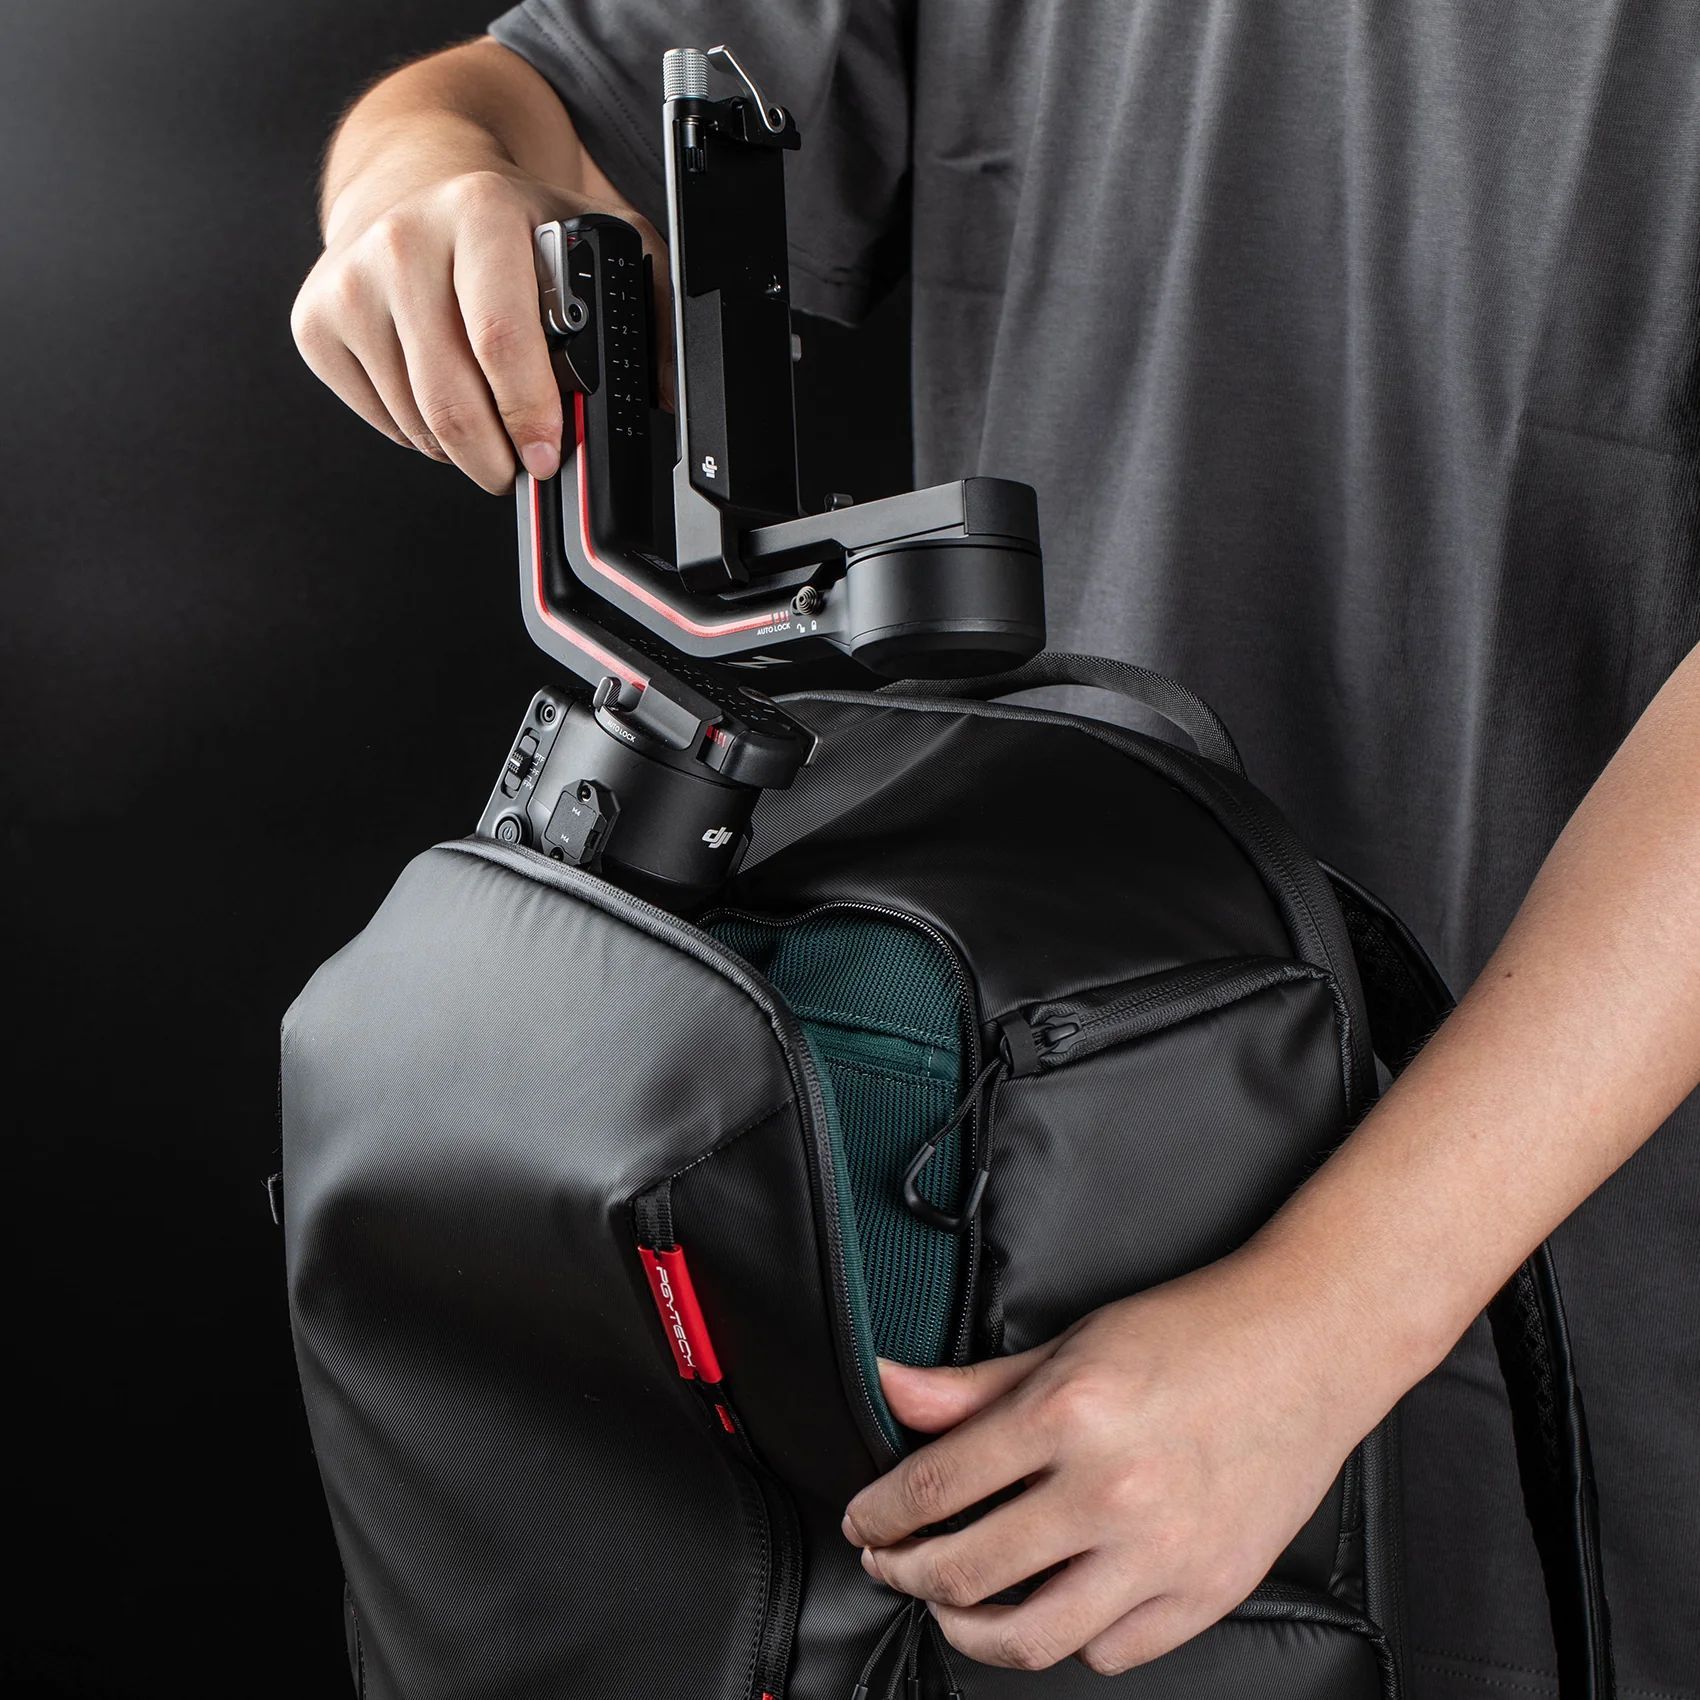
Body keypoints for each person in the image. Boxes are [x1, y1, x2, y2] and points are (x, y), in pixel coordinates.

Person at [290, 6, 1700, 1691]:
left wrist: (1332, 1318)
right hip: (1020, 1217)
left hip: (1569, 1303)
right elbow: (518, 96)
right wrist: (424, 196)